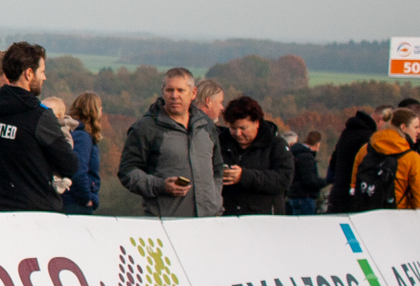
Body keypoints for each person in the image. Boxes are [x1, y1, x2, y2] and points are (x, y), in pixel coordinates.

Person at [0, 42, 79, 212]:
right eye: (42, 72)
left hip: (0, 206)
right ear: (28, 74)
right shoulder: (40, 116)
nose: (44, 77)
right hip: (37, 211)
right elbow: (69, 165)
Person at [117, 67, 225, 217]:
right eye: (170, 90)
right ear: (163, 92)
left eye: (180, 90)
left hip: (208, 222)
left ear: (193, 93)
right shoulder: (146, 128)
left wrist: (215, 201)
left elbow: (217, 169)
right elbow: (127, 172)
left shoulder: (206, 126)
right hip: (165, 223)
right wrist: (161, 186)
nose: (174, 96)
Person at [217, 96, 295, 215]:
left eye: (243, 128)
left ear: (257, 123)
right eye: (233, 128)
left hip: (265, 219)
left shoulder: (276, 145)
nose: (238, 133)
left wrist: (244, 176)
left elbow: (283, 179)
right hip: (228, 218)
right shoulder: (220, 144)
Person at [348, 107, 420, 211]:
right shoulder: (412, 158)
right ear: (403, 127)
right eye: (416, 127)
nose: (419, 131)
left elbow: (354, 186)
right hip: (398, 217)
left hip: (365, 217)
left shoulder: (365, 150)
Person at [324, 109, 379, 212]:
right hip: (356, 194)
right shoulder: (369, 138)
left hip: (338, 191)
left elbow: (333, 163)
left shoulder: (345, 134)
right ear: (380, 121)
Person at [63, 92, 105, 214]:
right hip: (76, 203)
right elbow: (79, 169)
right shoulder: (83, 137)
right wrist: (86, 199)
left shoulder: (72, 132)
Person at [287, 129, 325, 215]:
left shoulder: (295, 152)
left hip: (294, 196)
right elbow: (309, 181)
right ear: (317, 144)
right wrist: (324, 182)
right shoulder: (306, 157)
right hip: (304, 198)